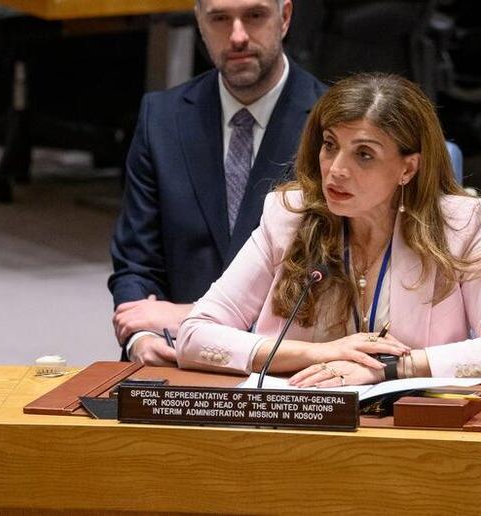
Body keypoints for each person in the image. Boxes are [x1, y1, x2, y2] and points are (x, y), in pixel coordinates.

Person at [175, 73, 481, 385]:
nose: (336, 170)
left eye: (364, 154)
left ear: (408, 168)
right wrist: (322, 354)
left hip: (412, 427)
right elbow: (195, 334)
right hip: (304, 419)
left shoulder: (458, 227)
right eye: (330, 146)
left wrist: (391, 368)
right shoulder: (289, 217)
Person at [109, 0, 326, 365]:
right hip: (172, 356)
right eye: (220, 19)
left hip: (288, 366)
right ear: (200, 23)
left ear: (285, 17)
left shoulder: (333, 126)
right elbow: (136, 262)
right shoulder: (161, 118)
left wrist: (191, 317)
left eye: (254, 16)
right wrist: (141, 337)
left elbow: (334, 281)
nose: (237, 36)